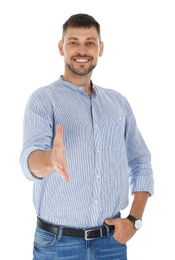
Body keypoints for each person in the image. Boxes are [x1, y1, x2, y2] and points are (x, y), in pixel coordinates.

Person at [20, 13, 154, 260]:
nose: (82, 50)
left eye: (90, 42)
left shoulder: (118, 104)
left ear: (100, 49)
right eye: (73, 42)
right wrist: (50, 161)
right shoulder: (43, 100)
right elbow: (30, 160)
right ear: (61, 48)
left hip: (110, 245)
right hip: (58, 246)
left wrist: (134, 220)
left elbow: (141, 162)